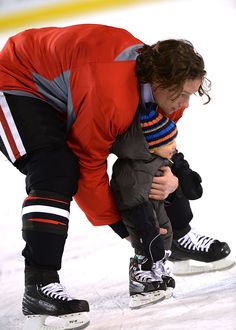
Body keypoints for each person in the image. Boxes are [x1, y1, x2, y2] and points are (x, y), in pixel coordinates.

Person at [0, 24, 231, 328]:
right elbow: (88, 169)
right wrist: (134, 233)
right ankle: (39, 285)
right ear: (159, 82)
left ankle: (176, 239)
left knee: (148, 154)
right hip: (17, 80)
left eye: (192, 93)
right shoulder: (111, 95)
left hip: (73, 82)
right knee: (55, 170)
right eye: (182, 95)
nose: (185, 105)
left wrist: (173, 187)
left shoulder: (165, 87)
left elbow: (157, 151)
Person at [110, 102, 204, 309]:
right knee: (147, 246)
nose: (174, 146)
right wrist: (145, 225)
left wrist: (186, 180)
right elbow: (133, 198)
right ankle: (141, 277)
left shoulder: (156, 158)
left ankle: (158, 270)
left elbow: (176, 167)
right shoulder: (134, 169)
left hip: (155, 211)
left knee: (164, 239)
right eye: (169, 142)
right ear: (151, 146)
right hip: (140, 217)